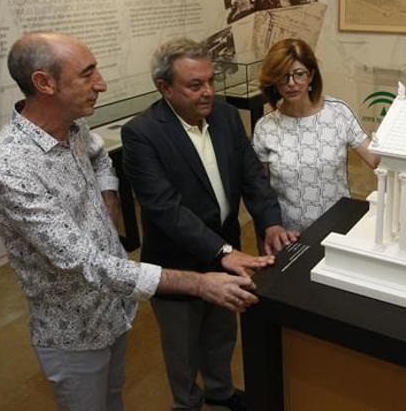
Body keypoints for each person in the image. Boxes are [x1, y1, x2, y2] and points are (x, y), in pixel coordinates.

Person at [0, 32, 271, 411]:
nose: (100, 83)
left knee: (113, 397)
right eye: (87, 74)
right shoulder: (8, 167)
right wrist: (197, 283)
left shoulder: (73, 127)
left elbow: (101, 158)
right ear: (44, 83)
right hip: (74, 327)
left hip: (113, 308)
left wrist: (106, 205)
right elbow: (85, 263)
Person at [121, 38, 297, 411]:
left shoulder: (226, 116)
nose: (208, 93)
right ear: (164, 87)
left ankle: (219, 390)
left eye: (210, 81)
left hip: (226, 252)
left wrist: (270, 222)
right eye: (195, 85)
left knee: (220, 333)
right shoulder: (142, 134)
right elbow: (165, 209)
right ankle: (187, 403)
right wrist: (224, 252)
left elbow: (252, 177)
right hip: (177, 261)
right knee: (182, 346)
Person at [252, 38, 379, 232]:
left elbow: (375, 160)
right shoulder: (265, 128)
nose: (292, 84)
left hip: (338, 230)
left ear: (311, 76)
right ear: (274, 82)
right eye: (283, 77)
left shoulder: (339, 113)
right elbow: (261, 194)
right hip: (290, 237)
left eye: (299, 74)